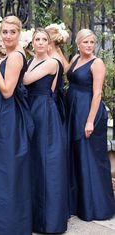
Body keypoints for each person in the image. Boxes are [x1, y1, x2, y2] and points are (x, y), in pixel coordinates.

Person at [0, 16, 34, 235]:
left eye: (12, 32)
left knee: (5, 166)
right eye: (4, 32)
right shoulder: (9, 54)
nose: (8, 36)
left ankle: (5, 223)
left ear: (19, 33)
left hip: (7, 114)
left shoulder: (16, 57)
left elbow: (6, 90)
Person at [66, 28, 115, 221]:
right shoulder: (75, 59)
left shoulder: (97, 63)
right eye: (85, 42)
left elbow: (97, 94)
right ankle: (80, 203)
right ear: (78, 44)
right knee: (77, 155)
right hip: (73, 109)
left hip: (88, 111)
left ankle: (97, 206)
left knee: (90, 157)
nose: (89, 45)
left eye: (92, 42)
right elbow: (64, 72)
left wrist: (89, 121)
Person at [23, 28, 68, 234]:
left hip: (44, 112)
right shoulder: (30, 60)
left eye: (43, 39)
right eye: (36, 39)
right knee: (32, 161)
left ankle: (48, 220)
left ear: (49, 43)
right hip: (30, 108)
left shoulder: (52, 62)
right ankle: (32, 216)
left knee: (46, 161)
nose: (40, 42)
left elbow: (24, 80)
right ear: (32, 42)